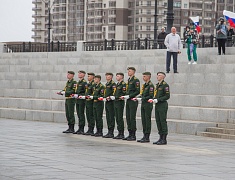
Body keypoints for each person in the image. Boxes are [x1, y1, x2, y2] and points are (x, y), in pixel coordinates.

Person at [148, 72, 170, 145]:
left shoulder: (165, 85)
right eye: (157, 75)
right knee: (158, 121)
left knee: (162, 121)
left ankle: (164, 138)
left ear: (163, 77)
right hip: (157, 105)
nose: (158, 76)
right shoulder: (157, 85)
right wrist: (153, 99)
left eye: (159, 75)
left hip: (162, 105)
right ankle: (160, 137)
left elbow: (167, 96)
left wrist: (158, 99)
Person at [121, 67, 140, 141]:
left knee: (132, 117)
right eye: (128, 71)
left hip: (132, 100)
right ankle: (129, 133)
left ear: (134, 72)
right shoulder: (128, 80)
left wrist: (130, 96)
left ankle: (133, 134)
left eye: (130, 71)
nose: (128, 72)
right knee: (128, 117)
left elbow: (137, 91)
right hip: (128, 100)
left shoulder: (136, 80)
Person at [136, 72, 154, 143]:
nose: (143, 78)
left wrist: (143, 98)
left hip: (147, 104)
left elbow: (150, 95)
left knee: (147, 120)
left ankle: (147, 136)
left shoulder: (150, 85)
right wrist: (139, 97)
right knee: (143, 120)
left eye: (144, 76)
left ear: (148, 77)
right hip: (143, 103)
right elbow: (142, 93)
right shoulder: (144, 85)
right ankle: (144, 135)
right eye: (143, 76)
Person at [71, 70, 87, 135]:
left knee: (81, 114)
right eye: (79, 73)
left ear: (83, 75)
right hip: (77, 100)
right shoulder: (78, 82)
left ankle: (82, 128)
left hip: (81, 100)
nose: (79, 74)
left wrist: (80, 95)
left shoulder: (84, 83)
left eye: (80, 73)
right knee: (78, 114)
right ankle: (79, 128)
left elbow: (86, 92)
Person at [102, 72, 117, 138]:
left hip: (111, 102)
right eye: (106, 76)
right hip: (107, 102)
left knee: (111, 117)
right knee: (108, 117)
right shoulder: (107, 84)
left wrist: (110, 97)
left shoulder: (113, 84)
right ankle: (109, 131)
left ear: (111, 77)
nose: (107, 77)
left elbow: (114, 93)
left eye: (108, 76)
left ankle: (111, 132)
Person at [113, 73, 126, 139]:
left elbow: (123, 93)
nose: (116, 77)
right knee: (117, 117)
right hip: (116, 102)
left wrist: (117, 97)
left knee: (120, 117)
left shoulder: (123, 84)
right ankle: (119, 132)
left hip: (120, 102)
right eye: (116, 76)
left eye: (118, 76)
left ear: (121, 77)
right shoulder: (117, 84)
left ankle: (121, 133)